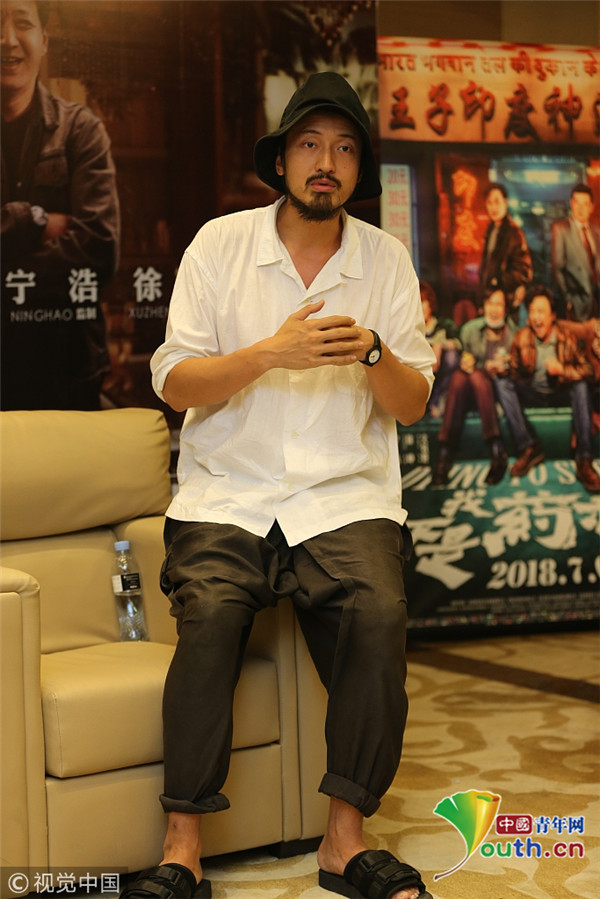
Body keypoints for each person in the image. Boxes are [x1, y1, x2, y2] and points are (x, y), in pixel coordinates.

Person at [122, 73, 436, 899]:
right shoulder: (220, 245)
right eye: (309, 144)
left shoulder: (385, 261)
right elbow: (174, 382)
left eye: (344, 147)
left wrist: (373, 352)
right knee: (210, 615)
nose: (325, 162)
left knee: (379, 610)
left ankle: (343, 842)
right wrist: (271, 353)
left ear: (357, 168)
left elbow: (412, 402)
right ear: (283, 159)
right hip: (228, 492)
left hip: (343, 497)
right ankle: (181, 851)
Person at [1, 0, 120, 410]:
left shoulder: (80, 131)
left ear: (44, 40)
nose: (7, 40)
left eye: (22, 23)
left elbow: (98, 250)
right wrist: (30, 221)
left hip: (67, 373)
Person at [508, 285, 599, 493]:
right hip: (533, 393)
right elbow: (513, 371)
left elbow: (588, 371)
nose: (537, 318)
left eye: (542, 312)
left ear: (552, 316)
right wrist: (504, 367)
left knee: (581, 386)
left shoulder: (567, 337)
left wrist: (562, 370)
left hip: (559, 392)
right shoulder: (522, 337)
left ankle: (584, 460)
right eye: (533, 312)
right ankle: (529, 446)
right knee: (502, 383)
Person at [431, 288, 516, 487]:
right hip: (466, 393)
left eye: (499, 304)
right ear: (483, 307)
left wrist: (502, 367)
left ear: (506, 309)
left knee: (477, 376)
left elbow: (519, 369)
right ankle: (448, 452)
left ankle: (492, 451)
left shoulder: (514, 333)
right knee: (460, 377)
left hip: (494, 394)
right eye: (490, 303)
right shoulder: (470, 330)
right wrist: (465, 362)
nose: (494, 309)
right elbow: (461, 356)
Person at [479, 182, 532, 325]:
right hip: (490, 300)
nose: (493, 207)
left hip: (506, 302)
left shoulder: (513, 232)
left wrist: (497, 281)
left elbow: (523, 272)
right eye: (489, 202)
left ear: (505, 202)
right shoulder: (490, 229)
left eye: (497, 202)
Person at [551, 182, 599, 322]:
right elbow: (557, 269)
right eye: (577, 203)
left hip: (597, 301)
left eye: (585, 204)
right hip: (577, 303)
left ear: (591, 207)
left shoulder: (597, 231)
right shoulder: (561, 229)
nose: (580, 208)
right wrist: (568, 300)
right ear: (571, 204)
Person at [419, 280, 460, 417]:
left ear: (430, 302)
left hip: (442, 380)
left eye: (422, 301)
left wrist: (440, 345)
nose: (419, 307)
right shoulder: (409, 331)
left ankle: (438, 401)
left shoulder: (444, 325)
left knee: (452, 356)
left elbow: (459, 344)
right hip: (420, 380)